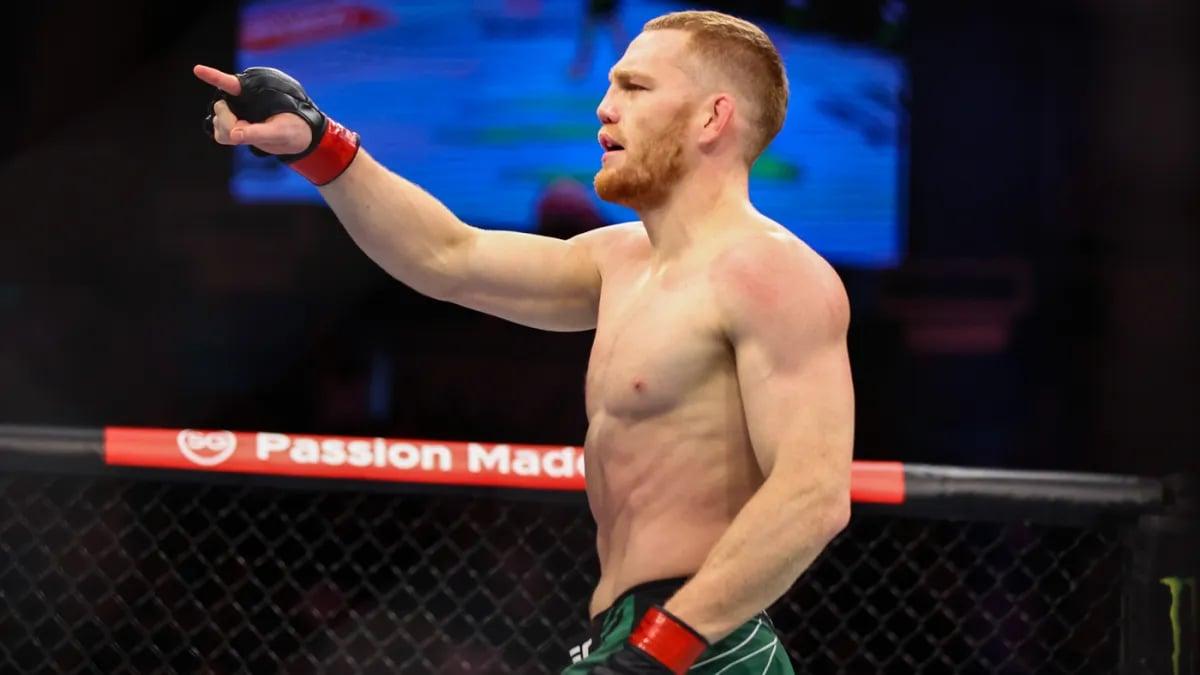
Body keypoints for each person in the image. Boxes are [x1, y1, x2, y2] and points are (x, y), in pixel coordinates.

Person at [196, 10, 854, 674]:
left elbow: (813, 494)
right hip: (637, 633)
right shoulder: (619, 263)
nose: (604, 107)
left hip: (706, 643)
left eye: (635, 87)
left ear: (712, 118)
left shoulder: (772, 272)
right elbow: (446, 256)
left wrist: (665, 648)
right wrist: (319, 143)